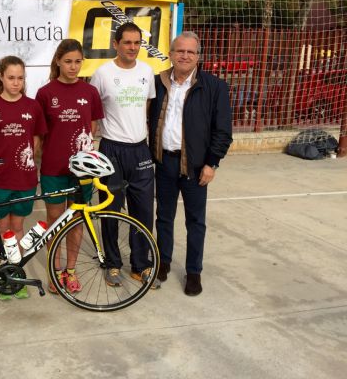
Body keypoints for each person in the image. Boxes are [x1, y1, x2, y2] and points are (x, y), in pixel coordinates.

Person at [149, 31, 232, 296]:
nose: (184, 56)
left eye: (190, 52)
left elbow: (223, 131)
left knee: (195, 221)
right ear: (171, 54)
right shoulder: (158, 82)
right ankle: (163, 262)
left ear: (198, 57)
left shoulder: (214, 87)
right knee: (164, 216)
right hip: (164, 162)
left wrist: (212, 163)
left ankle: (194, 272)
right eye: (180, 51)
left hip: (196, 167)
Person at [90, 22, 159, 289]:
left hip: (140, 150)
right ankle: (113, 263)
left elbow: (147, 106)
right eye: (127, 42)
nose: (132, 47)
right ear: (115, 44)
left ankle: (140, 265)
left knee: (143, 211)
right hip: (111, 149)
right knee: (110, 210)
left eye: (137, 42)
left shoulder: (147, 71)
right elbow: (93, 110)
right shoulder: (102, 73)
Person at [36, 39, 104, 294]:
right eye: (68, 62)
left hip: (81, 171)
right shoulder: (45, 93)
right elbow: (41, 133)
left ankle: (71, 270)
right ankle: (54, 271)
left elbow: (92, 126)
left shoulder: (90, 92)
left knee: (76, 220)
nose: (73, 67)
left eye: (77, 62)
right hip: (54, 169)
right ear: (58, 62)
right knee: (54, 220)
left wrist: (83, 154)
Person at [0, 56, 47, 300]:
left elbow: (36, 139)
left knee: (18, 227)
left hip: (24, 179)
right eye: (11, 78)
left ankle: (16, 274)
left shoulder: (33, 107)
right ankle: (3, 273)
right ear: (1, 77)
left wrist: (23, 162)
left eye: (20, 78)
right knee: (3, 228)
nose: (16, 83)